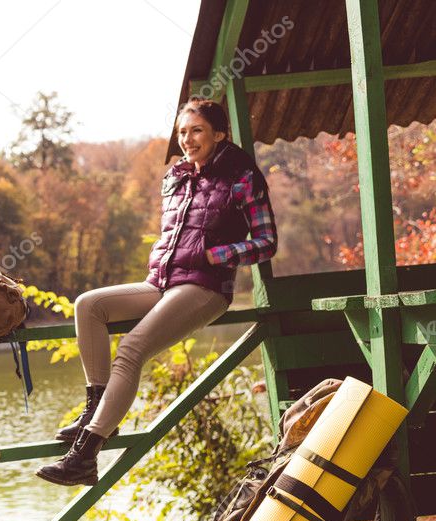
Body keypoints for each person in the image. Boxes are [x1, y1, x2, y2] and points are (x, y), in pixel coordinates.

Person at [37, 97, 278, 487]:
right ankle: (98, 409)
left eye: (197, 130)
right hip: (161, 281)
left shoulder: (242, 176)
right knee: (88, 306)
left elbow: (266, 242)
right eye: (182, 132)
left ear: (219, 133)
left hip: (205, 286)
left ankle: (84, 455)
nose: (187, 139)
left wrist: (214, 254)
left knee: (131, 349)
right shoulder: (176, 176)